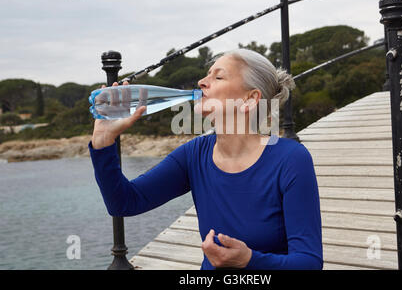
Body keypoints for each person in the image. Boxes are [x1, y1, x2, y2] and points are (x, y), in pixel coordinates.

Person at [89, 48, 323, 270]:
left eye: (218, 77)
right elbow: (125, 202)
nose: (202, 82)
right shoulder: (194, 154)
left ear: (251, 100)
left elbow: (309, 262)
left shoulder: (290, 159)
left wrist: (249, 260)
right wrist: (103, 141)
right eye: (207, 74)